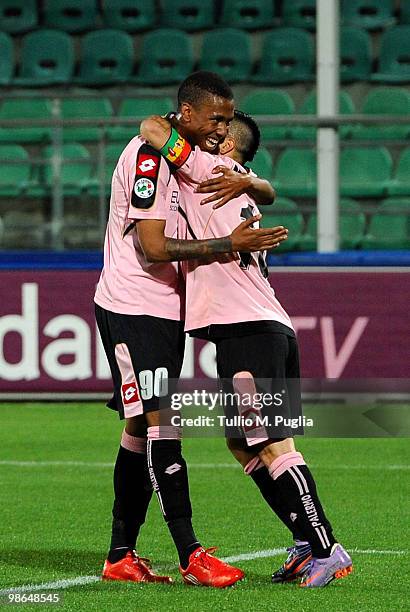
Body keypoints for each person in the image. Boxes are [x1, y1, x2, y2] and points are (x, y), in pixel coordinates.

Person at [141, 101, 353, 589]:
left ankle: (325, 548)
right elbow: (266, 188)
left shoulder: (207, 168)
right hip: (253, 325)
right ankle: (305, 541)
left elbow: (150, 128)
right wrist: (256, 181)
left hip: (249, 327)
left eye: (217, 128)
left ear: (227, 144)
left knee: (273, 444)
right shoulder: (240, 182)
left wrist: (176, 120)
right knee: (242, 443)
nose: (206, 132)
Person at [94, 72, 287, 587]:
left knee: (139, 427)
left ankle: (121, 555)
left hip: (165, 310)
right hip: (134, 305)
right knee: (163, 423)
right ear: (187, 111)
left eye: (228, 120)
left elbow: (259, 185)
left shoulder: (186, 158)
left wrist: (248, 183)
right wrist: (228, 246)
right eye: (216, 118)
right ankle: (190, 554)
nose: (222, 129)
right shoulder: (149, 158)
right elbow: (154, 249)